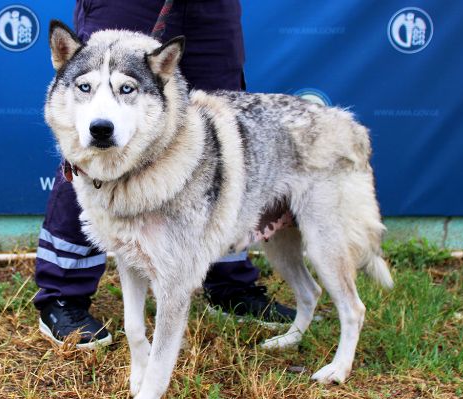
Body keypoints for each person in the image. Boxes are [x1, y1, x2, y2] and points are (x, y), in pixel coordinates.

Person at [34, 0, 296, 349]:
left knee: (220, 136)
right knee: (95, 137)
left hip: (212, 10)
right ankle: (63, 293)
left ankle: (229, 283)